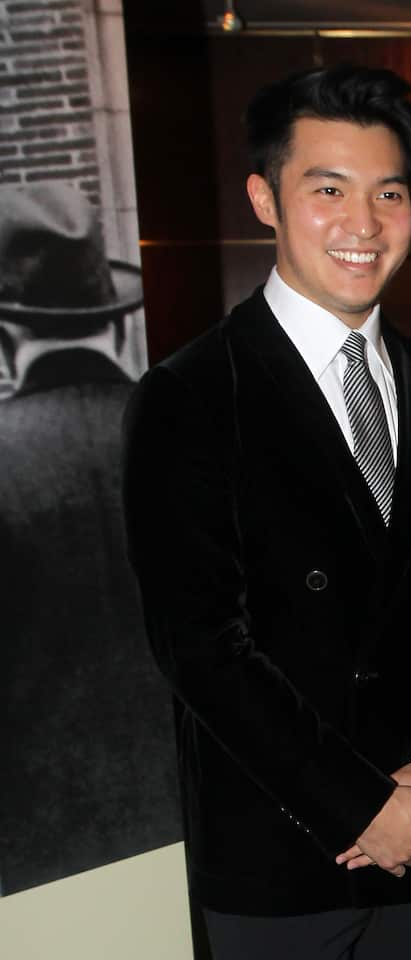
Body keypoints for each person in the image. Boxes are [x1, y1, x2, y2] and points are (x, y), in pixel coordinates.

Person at [122, 65, 411, 960]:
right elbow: (199, 644)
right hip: (279, 858)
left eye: (388, 192)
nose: (363, 224)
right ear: (264, 199)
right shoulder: (191, 395)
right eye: (328, 190)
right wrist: (358, 805)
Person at [0, 184, 178, 896]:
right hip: (208, 827)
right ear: (116, 325)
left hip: (40, 852)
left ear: (7, 338)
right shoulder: (197, 437)